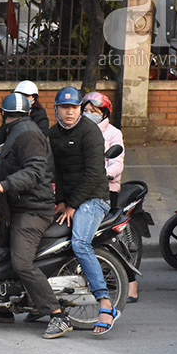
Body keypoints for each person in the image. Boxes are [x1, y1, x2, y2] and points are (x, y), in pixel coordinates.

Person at [0, 93, 73, 339]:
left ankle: (58, 315)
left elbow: (35, 171)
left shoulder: (27, 134)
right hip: (17, 206)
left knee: (21, 262)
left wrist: (3, 185)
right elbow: (2, 163)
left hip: (34, 209)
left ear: (4, 114)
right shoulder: (15, 131)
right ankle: (3, 308)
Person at [48, 86, 121, 336]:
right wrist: (59, 201)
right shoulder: (53, 134)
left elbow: (94, 174)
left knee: (80, 243)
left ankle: (105, 303)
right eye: (64, 107)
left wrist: (72, 204)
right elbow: (55, 171)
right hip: (69, 199)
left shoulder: (90, 132)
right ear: (56, 109)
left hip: (93, 198)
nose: (70, 112)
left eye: (74, 107)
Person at [81, 92, 138, 303]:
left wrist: (107, 174)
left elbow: (117, 161)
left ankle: (131, 283)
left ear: (104, 113)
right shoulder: (78, 131)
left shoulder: (113, 134)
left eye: (93, 112)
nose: (88, 115)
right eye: (85, 111)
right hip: (81, 190)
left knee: (106, 240)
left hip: (106, 191)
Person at [0, 80, 49, 150]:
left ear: (34, 99)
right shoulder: (10, 114)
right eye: (19, 94)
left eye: (26, 95)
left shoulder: (40, 117)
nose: (22, 98)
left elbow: (38, 142)